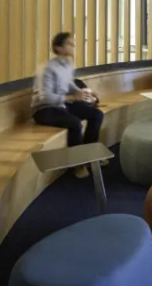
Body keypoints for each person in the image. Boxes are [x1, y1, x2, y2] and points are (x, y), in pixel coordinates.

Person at [32, 32, 105, 177]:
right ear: (58, 48)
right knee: (74, 123)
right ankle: (77, 165)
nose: (74, 47)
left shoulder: (67, 65)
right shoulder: (47, 69)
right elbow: (44, 97)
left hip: (63, 105)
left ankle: (89, 155)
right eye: (70, 44)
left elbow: (69, 85)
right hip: (44, 109)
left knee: (96, 114)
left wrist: (84, 93)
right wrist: (72, 97)